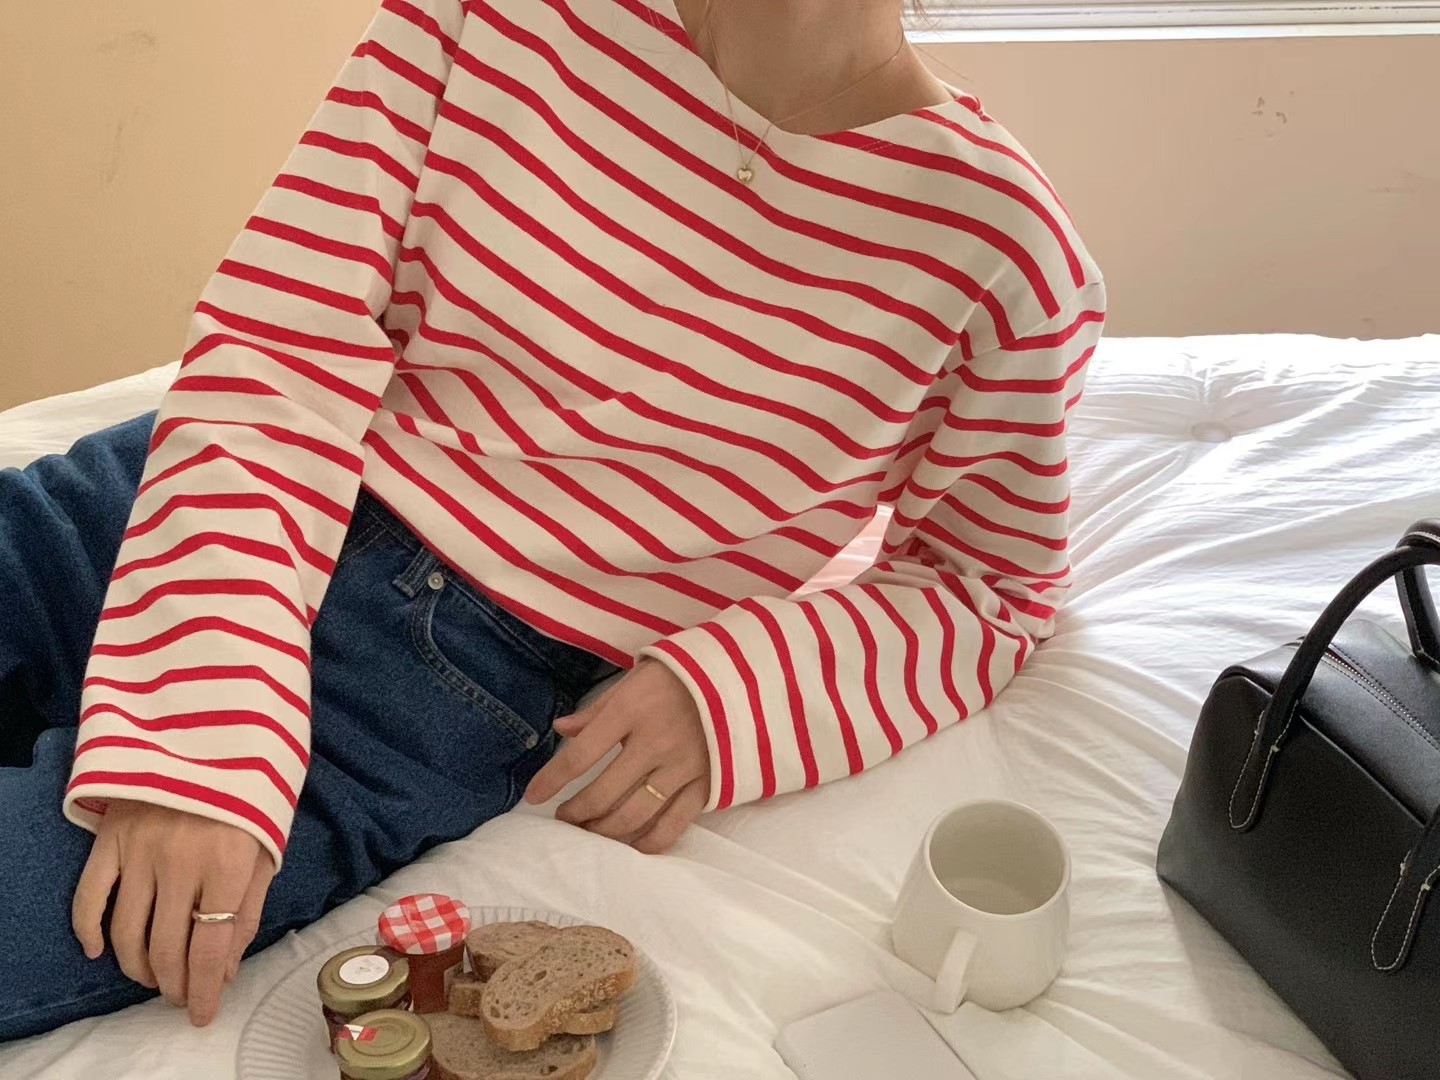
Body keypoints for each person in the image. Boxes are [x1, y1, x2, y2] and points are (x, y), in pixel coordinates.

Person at [0, 0, 1104, 1041]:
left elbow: (989, 586)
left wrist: (731, 693)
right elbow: (284, 337)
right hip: (207, 494)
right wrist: (197, 722)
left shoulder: (1000, 245)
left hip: (438, 691)